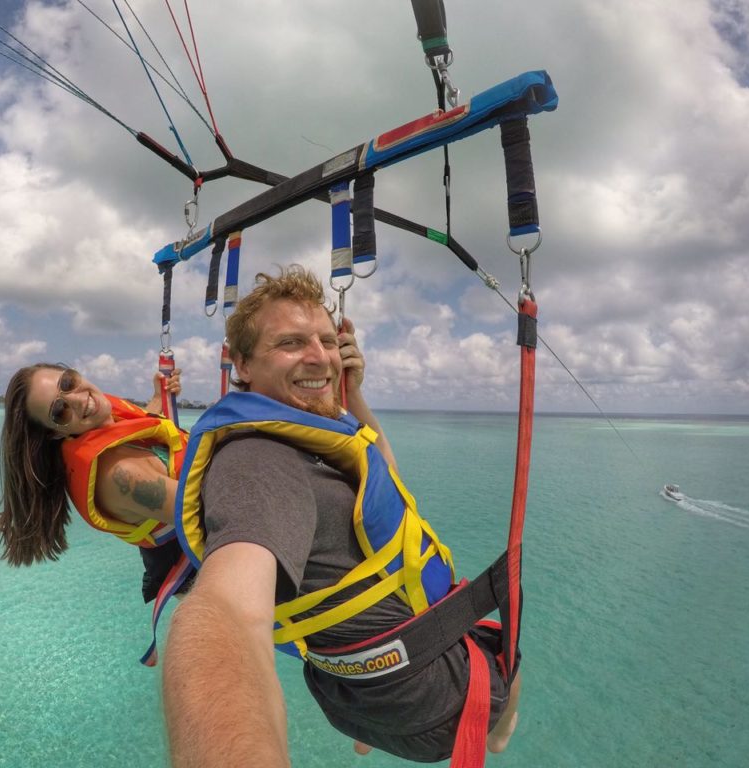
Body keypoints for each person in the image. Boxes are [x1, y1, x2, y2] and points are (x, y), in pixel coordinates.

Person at [162, 266, 521, 767]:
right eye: (291, 343)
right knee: (510, 650)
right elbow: (227, 612)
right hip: (437, 705)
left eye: (327, 341)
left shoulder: (305, 431)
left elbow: (385, 479)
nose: (319, 356)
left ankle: (365, 738)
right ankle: (501, 735)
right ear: (241, 363)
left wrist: (351, 395)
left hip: (346, 697)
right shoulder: (259, 464)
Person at [0, 363, 190, 605]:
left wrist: (159, 396)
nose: (76, 399)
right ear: (55, 433)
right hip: (201, 574)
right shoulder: (120, 475)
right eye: (59, 411)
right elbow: (210, 511)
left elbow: (140, 426)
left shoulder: (105, 425)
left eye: (67, 382)